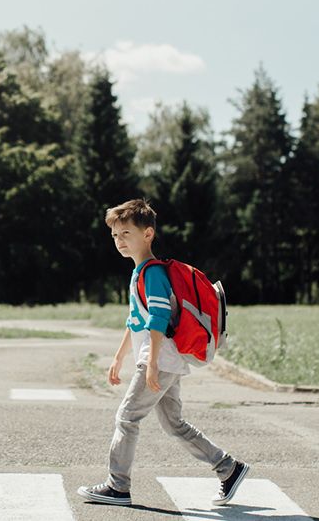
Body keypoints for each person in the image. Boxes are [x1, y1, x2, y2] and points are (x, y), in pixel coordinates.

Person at [77, 198, 249, 507]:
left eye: (126, 233)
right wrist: (118, 356)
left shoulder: (152, 273)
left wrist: (152, 363)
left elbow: (157, 319)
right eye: (115, 235)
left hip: (160, 360)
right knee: (174, 423)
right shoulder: (139, 273)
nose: (119, 241)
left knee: (127, 417)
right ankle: (229, 469)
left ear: (148, 234)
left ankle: (118, 487)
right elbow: (136, 321)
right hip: (164, 360)